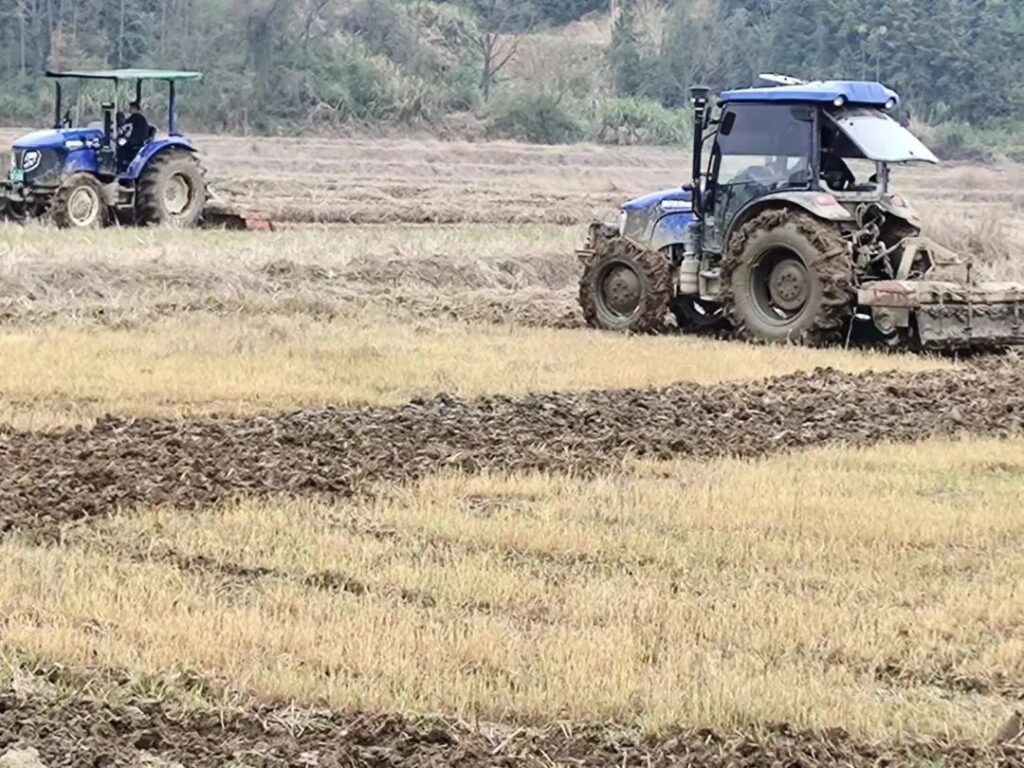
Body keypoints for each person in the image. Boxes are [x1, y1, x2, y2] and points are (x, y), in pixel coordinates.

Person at [117, 100, 150, 167]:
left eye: (130, 108)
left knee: (119, 148)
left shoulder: (136, 116)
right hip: (138, 139)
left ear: (134, 108)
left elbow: (124, 122)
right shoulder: (140, 117)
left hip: (137, 140)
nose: (129, 109)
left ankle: (120, 166)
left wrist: (118, 119)